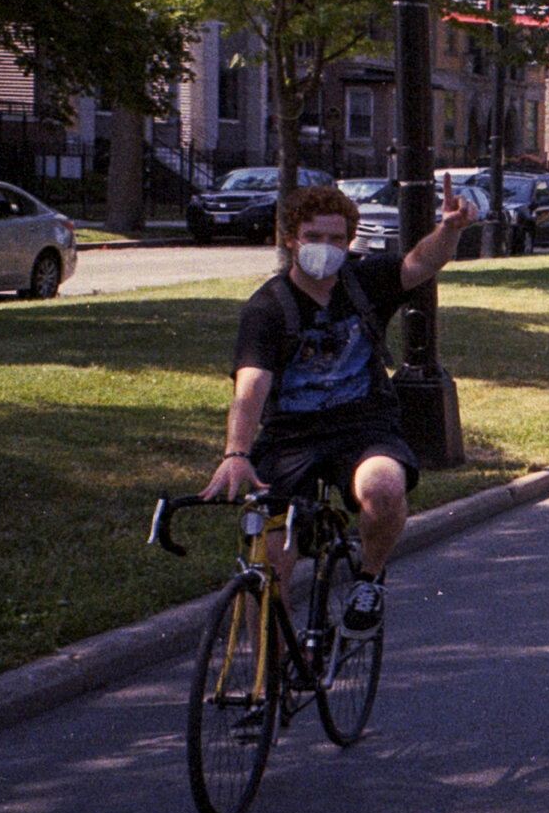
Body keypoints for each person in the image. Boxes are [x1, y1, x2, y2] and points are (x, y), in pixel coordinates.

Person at [204, 182, 479, 634]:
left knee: (385, 489)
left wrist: (448, 230)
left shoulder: (364, 281)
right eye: (314, 237)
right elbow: (250, 387)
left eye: (336, 238)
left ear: (350, 241)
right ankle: (264, 680)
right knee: (267, 564)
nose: (325, 248)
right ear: (292, 239)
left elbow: (421, 263)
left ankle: (368, 579)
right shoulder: (267, 308)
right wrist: (236, 452)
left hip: (364, 427)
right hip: (291, 436)